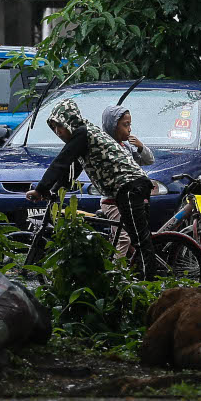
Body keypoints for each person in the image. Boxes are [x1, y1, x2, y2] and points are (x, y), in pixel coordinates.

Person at [25, 99, 158, 278]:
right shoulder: (85, 138)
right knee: (134, 237)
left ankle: (149, 285)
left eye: (59, 127)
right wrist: (54, 191)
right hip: (128, 187)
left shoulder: (83, 133)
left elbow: (61, 161)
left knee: (139, 240)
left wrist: (40, 189)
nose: (57, 132)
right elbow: (70, 171)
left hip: (130, 186)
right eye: (54, 128)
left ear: (69, 122)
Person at [100, 105, 155, 258]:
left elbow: (149, 160)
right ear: (113, 126)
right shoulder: (106, 149)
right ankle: (116, 273)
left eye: (130, 124)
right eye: (125, 125)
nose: (129, 129)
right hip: (112, 202)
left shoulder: (127, 148)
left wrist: (141, 146)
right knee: (123, 237)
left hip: (131, 199)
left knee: (136, 235)